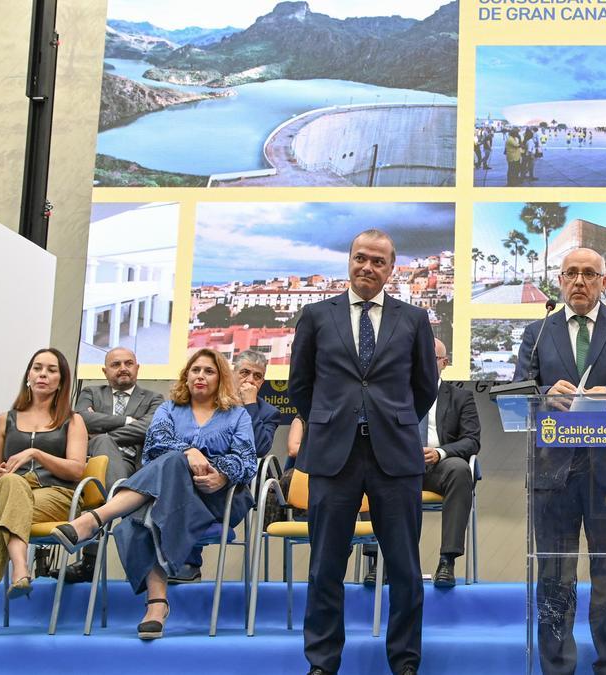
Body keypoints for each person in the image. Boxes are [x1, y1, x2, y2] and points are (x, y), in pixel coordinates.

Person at [288, 229, 437, 675]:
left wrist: (392, 419)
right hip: (334, 456)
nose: (367, 267)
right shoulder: (316, 315)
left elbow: (425, 387)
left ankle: (405, 662)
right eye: (360, 258)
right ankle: (322, 662)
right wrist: (332, 420)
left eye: (378, 261)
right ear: (349, 261)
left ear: (391, 269)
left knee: (406, 570)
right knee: (325, 566)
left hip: (396, 457)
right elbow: (300, 386)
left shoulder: (413, 318)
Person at [513, 247, 606, 675]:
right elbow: (518, 389)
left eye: (589, 274)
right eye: (571, 273)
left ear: (603, 282)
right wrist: (542, 395)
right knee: (554, 575)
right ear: (559, 280)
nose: (579, 281)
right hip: (551, 471)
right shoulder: (538, 332)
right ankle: (556, 667)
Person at [50, 348, 257, 640]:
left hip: (216, 497)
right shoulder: (170, 409)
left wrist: (220, 473)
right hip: (172, 494)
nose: (201, 376)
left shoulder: (237, 416)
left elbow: (247, 461)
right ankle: (156, 607)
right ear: (186, 376)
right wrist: (189, 451)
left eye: (209, 371)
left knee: (154, 490)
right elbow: (154, 449)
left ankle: (96, 520)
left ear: (221, 378)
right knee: (152, 497)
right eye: (195, 370)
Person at [0, 348, 88, 640]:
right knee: (11, 484)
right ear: (28, 376)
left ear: (61, 381)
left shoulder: (73, 421)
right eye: (37, 368)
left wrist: (36, 453)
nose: (43, 375)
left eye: (51, 370)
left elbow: (76, 470)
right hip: (6, 494)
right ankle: (21, 566)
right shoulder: (4, 420)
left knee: (6, 507)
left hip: (55, 495)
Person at [169, 348, 280, 584]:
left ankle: (185, 562)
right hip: (194, 478)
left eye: (257, 376)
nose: (250, 380)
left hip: (234, 487)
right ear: (231, 373)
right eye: (245, 373)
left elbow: (259, 448)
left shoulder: (268, 413)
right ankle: (183, 562)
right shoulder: (208, 402)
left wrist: (250, 406)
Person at [55, 347, 164, 583]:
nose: (123, 368)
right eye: (115, 364)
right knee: (101, 450)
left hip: (135, 466)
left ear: (137, 368)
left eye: (128, 363)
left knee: (103, 440)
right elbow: (80, 419)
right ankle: (119, 505)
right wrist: (126, 421)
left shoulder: (154, 399)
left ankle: (91, 559)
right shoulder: (91, 392)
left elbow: (149, 427)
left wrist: (100, 433)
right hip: (93, 468)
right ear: (105, 371)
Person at [421, 338, 481, 588]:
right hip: (400, 467)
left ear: (444, 363)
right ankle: (380, 562)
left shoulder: (460, 397)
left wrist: (440, 452)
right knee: (372, 469)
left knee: (459, 469)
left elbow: (471, 441)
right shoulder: (394, 395)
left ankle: (447, 560)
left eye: (430, 356)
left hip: (439, 468)